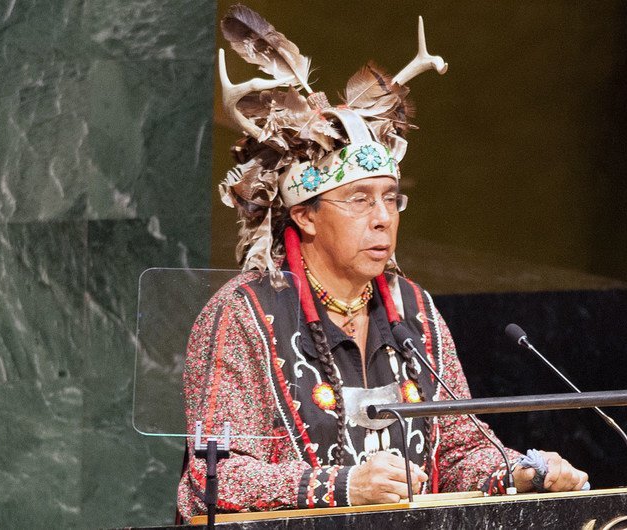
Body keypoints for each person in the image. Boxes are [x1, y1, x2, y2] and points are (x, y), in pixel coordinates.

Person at [176, 5, 587, 519]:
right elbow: (219, 476)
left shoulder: (413, 308)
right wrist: (343, 486)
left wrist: (521, 470)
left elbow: (459, 450)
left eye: (391, 198)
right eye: (360, 199)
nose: (382, 219)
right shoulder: (243, 314)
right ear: (304, 215)